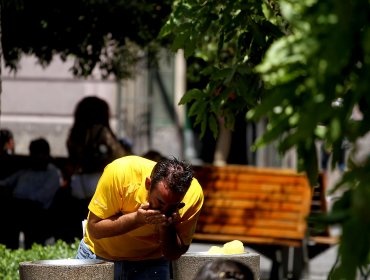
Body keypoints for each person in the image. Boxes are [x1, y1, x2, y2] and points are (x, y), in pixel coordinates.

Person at [76, 155, 204, 280]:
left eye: (172, 207)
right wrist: (137, 219)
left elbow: (174, 253)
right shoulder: (121, 173)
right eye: (160, 202)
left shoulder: (192, 196)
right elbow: (94, 229)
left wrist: (167, 227)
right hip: (99, 255)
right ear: (148, 184)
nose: (164, 211)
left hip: (150, 263)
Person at [0, 137, 62, 248]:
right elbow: (6, 183)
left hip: (36, 212)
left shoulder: (52, 173)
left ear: (46, 154)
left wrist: (20, 201)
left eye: (39, 153)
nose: (36, 157)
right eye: (33, 153)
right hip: (16, 206)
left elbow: (42, 197)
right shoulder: (26, 171)